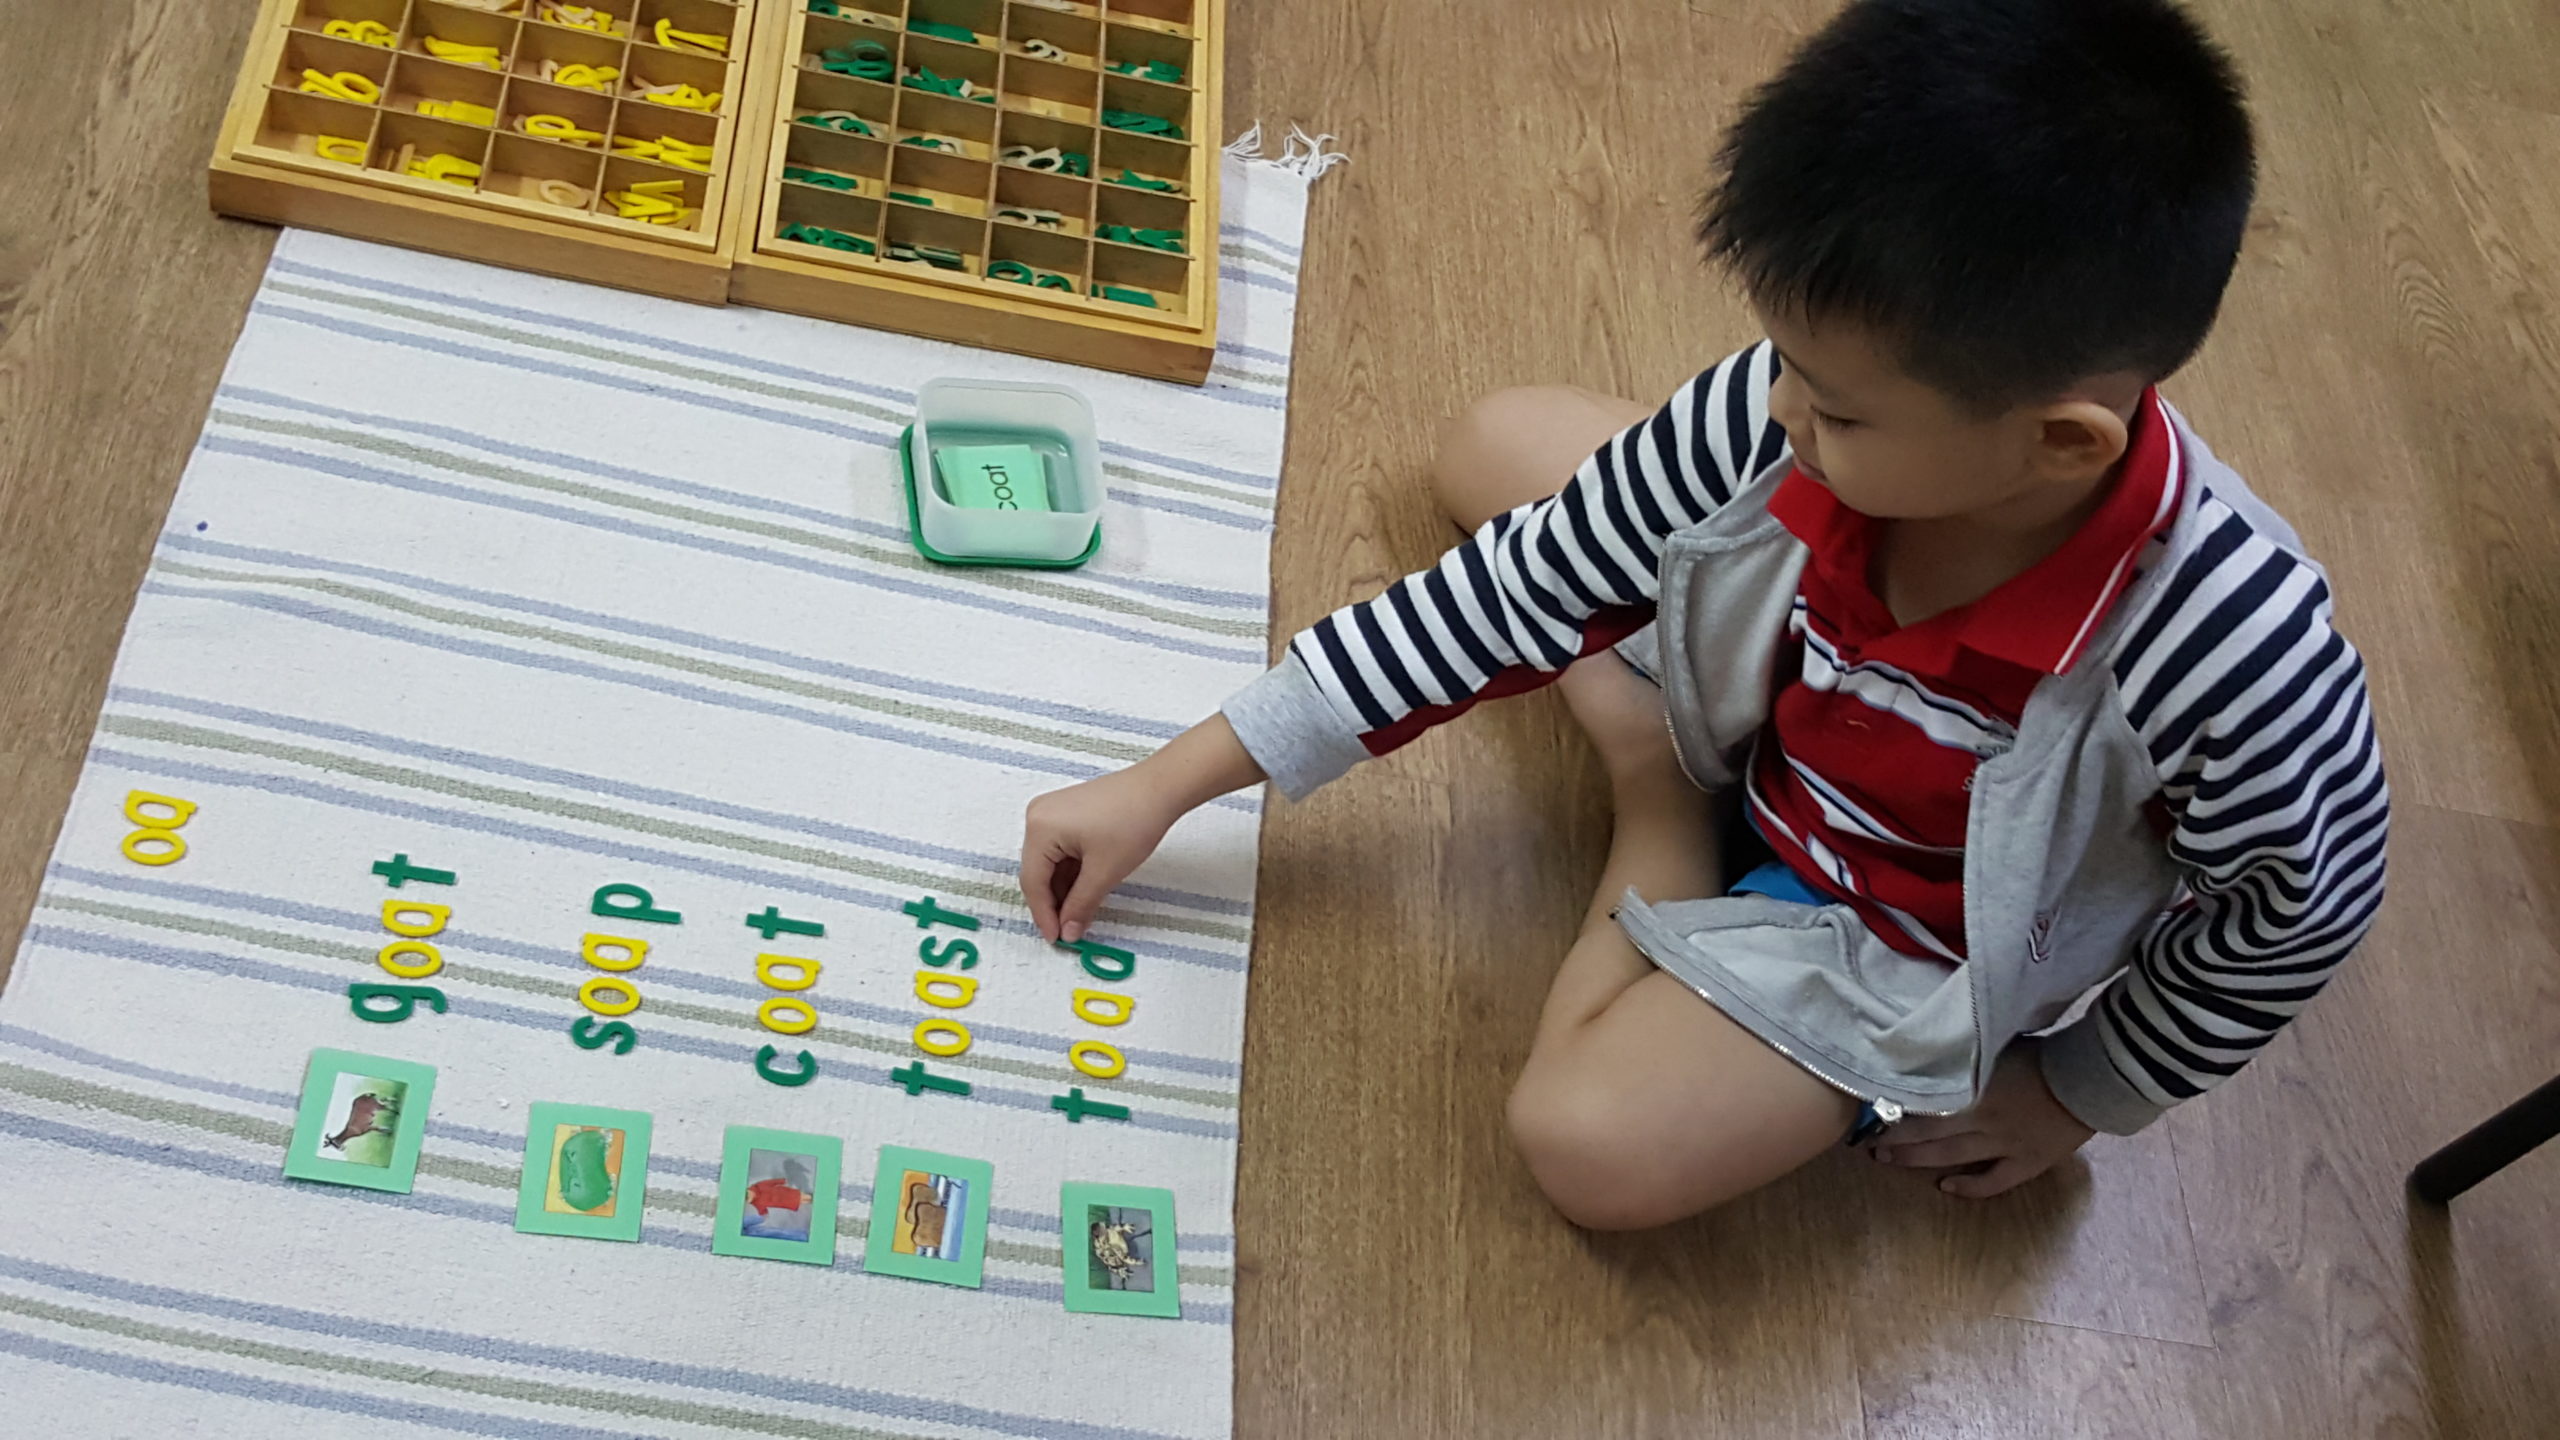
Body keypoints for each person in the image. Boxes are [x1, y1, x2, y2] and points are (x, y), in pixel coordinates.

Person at [1018, 0, 2387, 1230]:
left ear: (2065, 444)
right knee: (1497, 448)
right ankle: (1673, 733)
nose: (1781, 412)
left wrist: (2082, 1089)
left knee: (1586, 1146)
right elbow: (1511, 591)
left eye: (1837, 408)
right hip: (1770, 687)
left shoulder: (2236, 655)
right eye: (1786, 366)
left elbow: (2300, 912)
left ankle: (1657, 794)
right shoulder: (1782, 409)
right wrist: (1169, 782)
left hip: (1894, 932)